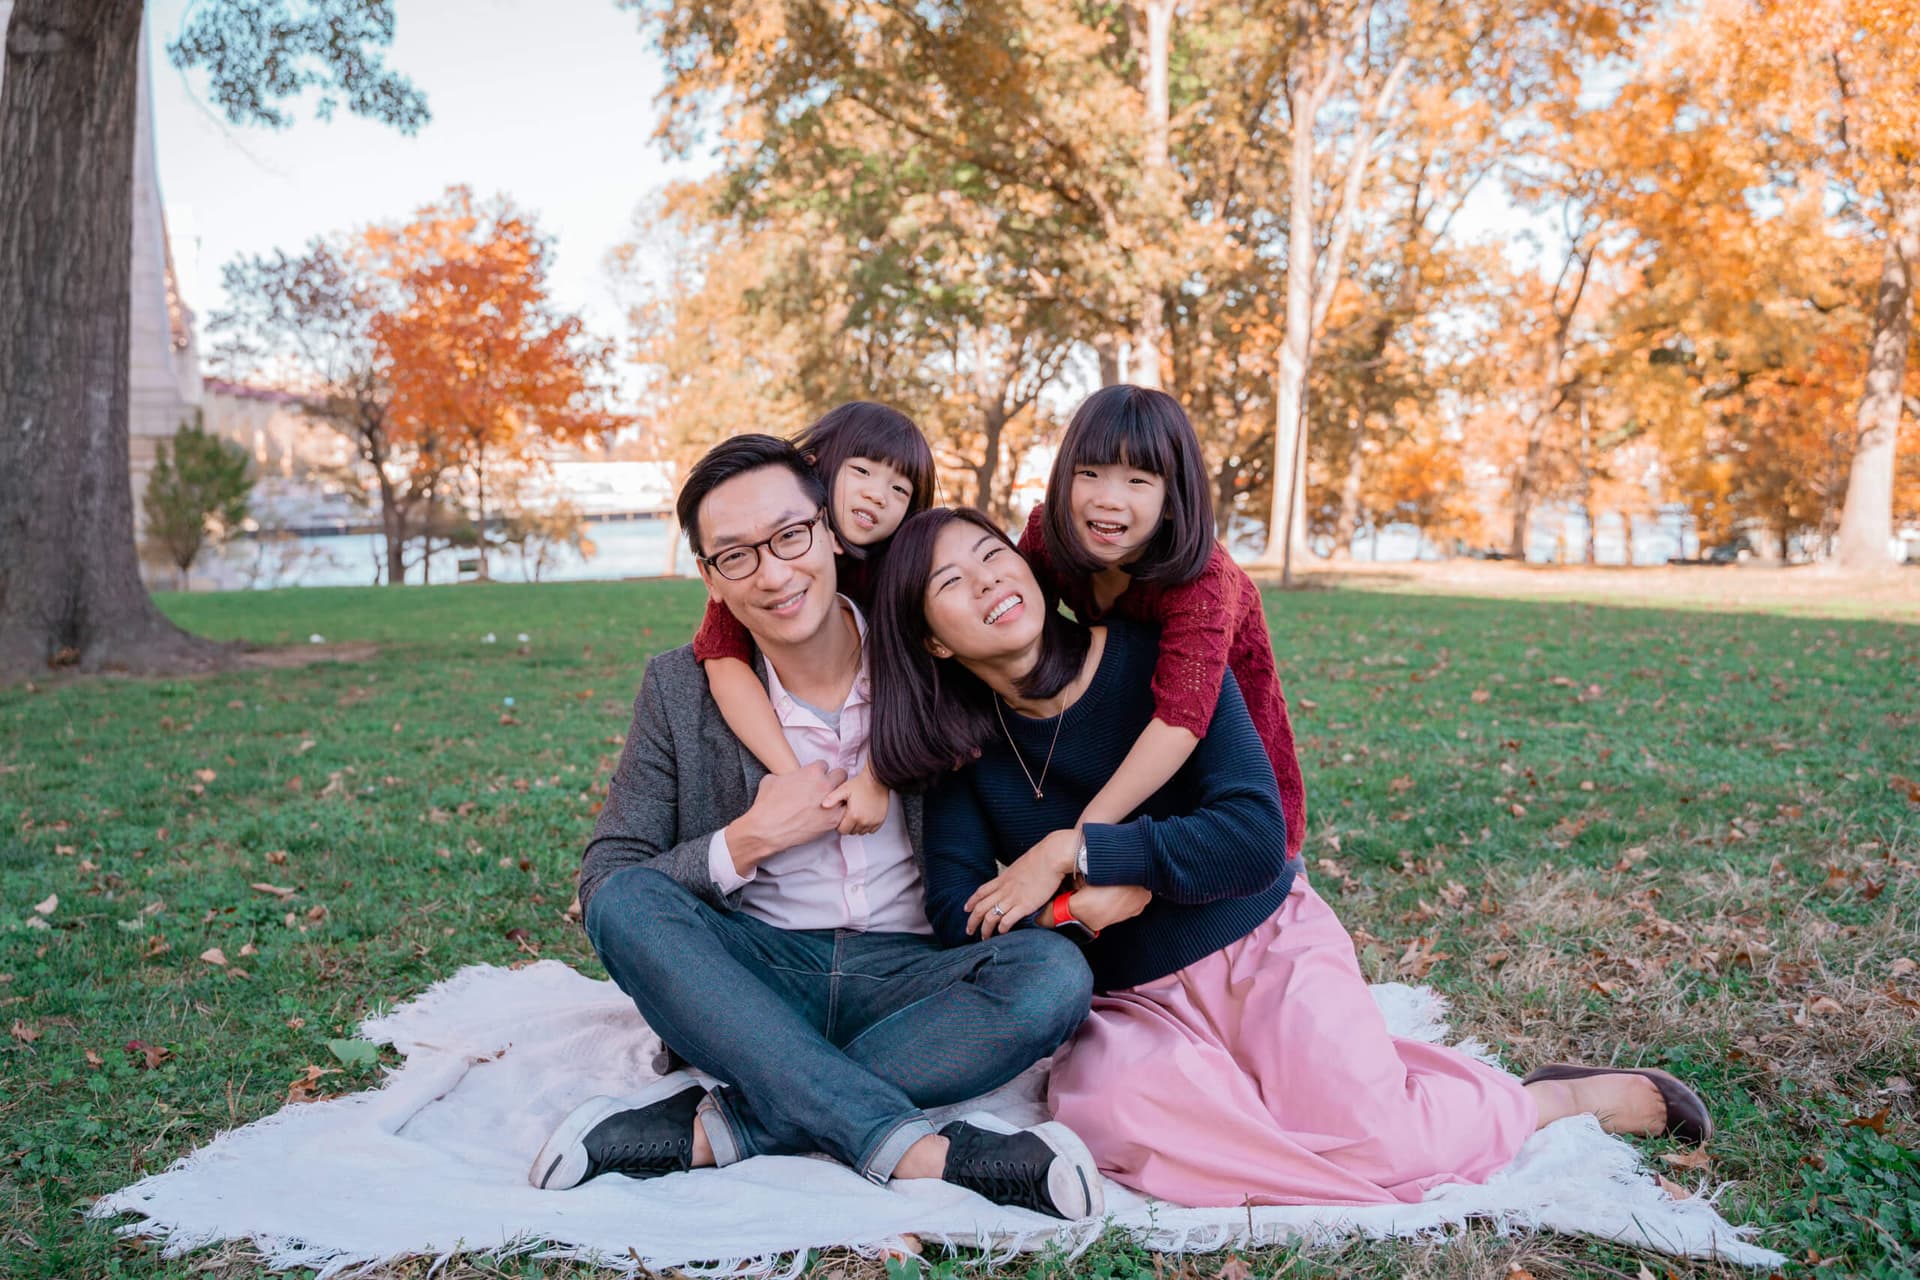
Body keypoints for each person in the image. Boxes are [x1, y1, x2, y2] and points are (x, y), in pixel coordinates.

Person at [869, 506, 1712, 1208]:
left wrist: (1099, 857)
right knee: (1120, 1115)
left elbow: (1250, 834)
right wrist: (1076, 908)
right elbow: (960, 914)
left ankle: (1543, 1100)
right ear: (934, 642)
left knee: (1376, 1135)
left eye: (990, 554)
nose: (985, 580)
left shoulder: (1154, 662)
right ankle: (1323, 1127)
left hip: (1258, 941)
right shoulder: (961, 750)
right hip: (1127, 1000)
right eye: (950, 581)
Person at [533, 437, 1103, 1222]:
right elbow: (608, 880)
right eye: (735, 556)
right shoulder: (679, 688)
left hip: (916, 982)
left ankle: (738, 1121)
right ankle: (926, 1154)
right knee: (629, 903)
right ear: (709, 577)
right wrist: (749, 841)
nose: (772, 574)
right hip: (754, 981)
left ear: (829, 530)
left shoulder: (929, 654)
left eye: (789, 537)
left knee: (1054, 975)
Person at [967, 385, 1307, 937]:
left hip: (1221, 730)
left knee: (1232, 872)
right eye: (1091, 473)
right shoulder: (1048, 541)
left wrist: (1080, 844)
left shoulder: (1202, 580)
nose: (1108, 498)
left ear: (1172, 498)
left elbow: (1180, 723)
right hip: (1129, 713)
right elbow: (1012, 632)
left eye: (1138, 481)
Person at [694, 403, 936, 838]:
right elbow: (723, 664)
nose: (878, 495)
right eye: (862, 471)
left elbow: (921, 679)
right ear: (817, 465)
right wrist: (797, 780)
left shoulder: (902, 574)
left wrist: (878, 775)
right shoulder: (760, 568)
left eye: (900, 490)